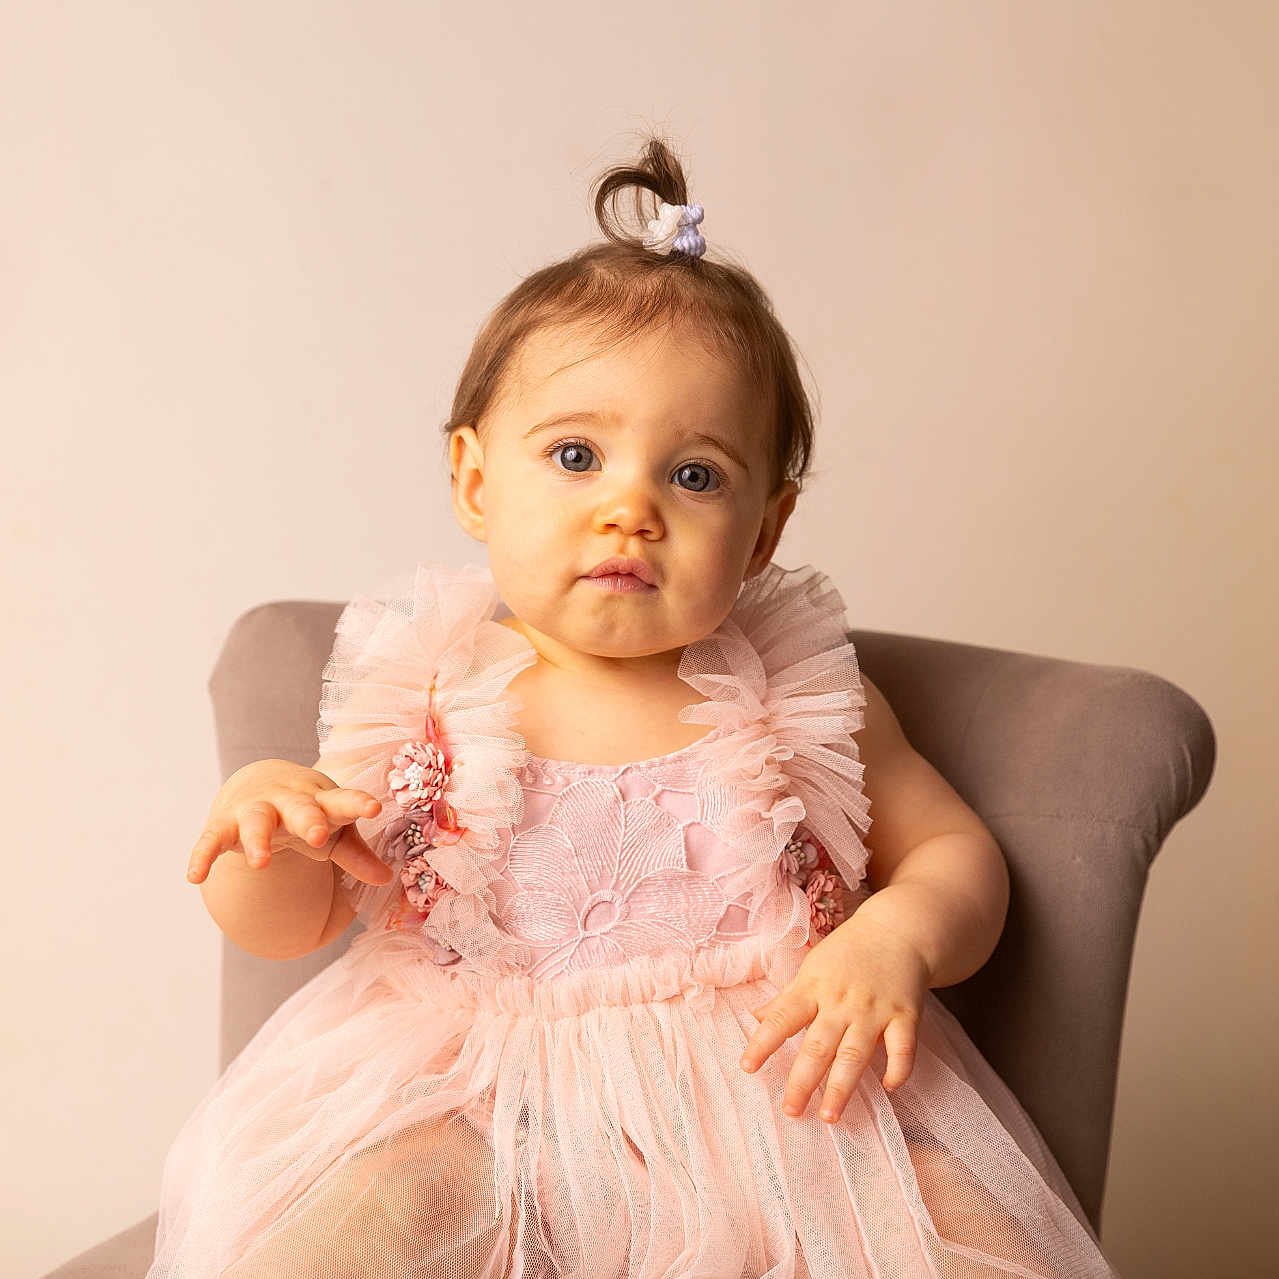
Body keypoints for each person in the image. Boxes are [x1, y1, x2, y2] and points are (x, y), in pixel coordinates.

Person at [147, 135, 1122, 1278]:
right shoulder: (427, 690)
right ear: (474, 480)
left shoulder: (800, 696)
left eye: (694, 474)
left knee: (964, 1232)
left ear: (763, 532)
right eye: (575, 455)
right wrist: (264, 828)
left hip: (774, 1108)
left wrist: (896, 933)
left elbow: (954, 852)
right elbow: (295, 920)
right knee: (351, 1222)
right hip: (476, 1110)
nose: (631, 509)